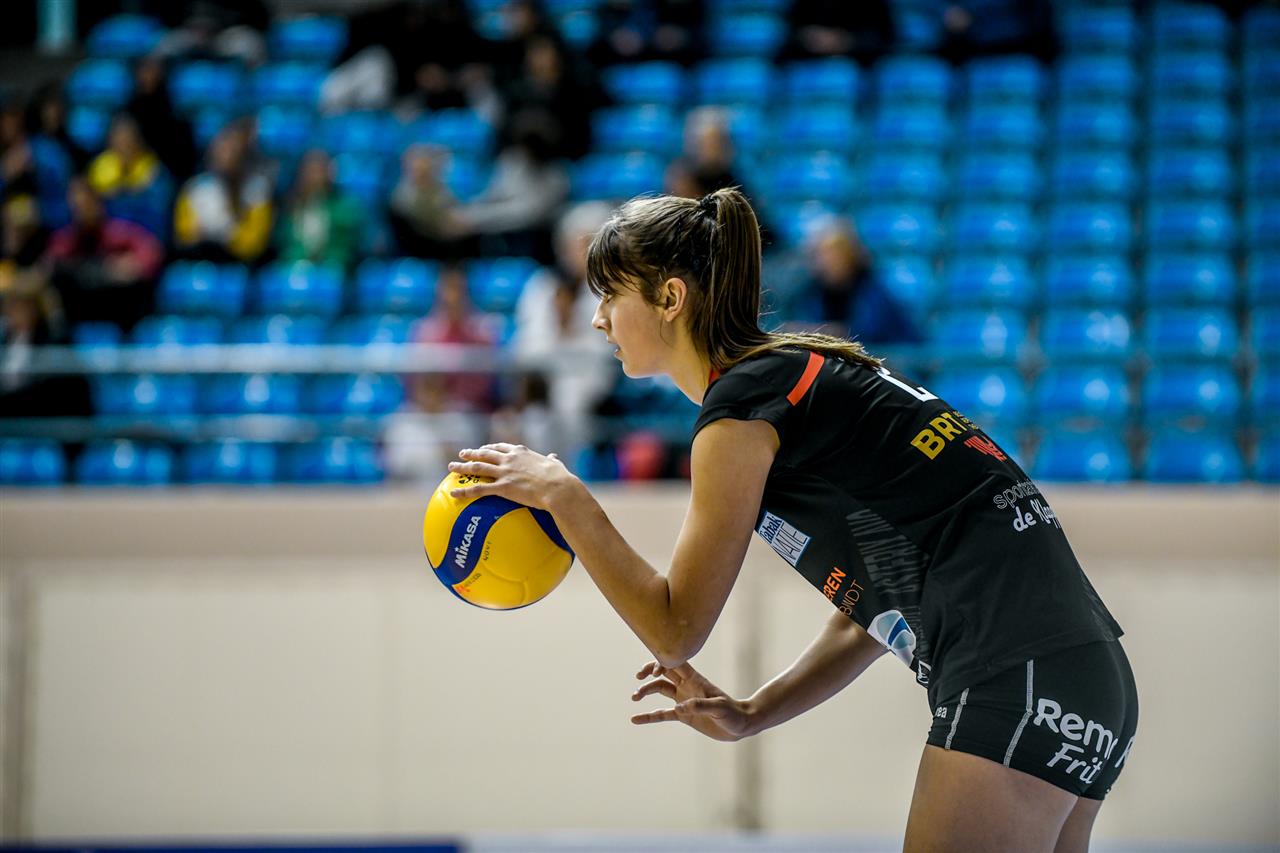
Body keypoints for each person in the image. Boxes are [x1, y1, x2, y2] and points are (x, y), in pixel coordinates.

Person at [444, 188, 1137, 852]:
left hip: (1012, 670)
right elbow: (877, 606)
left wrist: (566, 497)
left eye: (609, 296)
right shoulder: (791, 375)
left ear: (670, 298)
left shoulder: (743, 409)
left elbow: (675, 630)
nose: (598, 319)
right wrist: (755, 712)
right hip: (1082, 674)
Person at [44, 176, 163, 331]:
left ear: (98, 203)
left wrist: (131, 266)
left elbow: (151, 254)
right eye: (76, 207)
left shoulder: (119, 232)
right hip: (80, 311)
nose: (81, 212)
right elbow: (49, 266)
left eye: (86, 204)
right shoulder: (66, 240)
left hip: (119, 310)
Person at [790, 218, 921, 344]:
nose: (822, 264)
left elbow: (867, 334)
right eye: (817, 257)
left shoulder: (874, 289)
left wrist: (823, 332)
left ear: (848, 255)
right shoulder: (813, 291)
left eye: (830, 255)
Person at [173, 123, 273, 263]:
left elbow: (254, 243)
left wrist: (225, 236)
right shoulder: (195, 189)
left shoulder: (257, 190)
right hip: (199, 261)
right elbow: (184, 236)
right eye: (222, 150)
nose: (226, 157)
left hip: (240, 265)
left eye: (233, 151)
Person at [275, 149, 362, 271]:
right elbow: (284, 243)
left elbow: (346, 245)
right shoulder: (290, 206)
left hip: (332, 268)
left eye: (320, 170)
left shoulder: (344, 206)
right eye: (311, 171)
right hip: (296, 267)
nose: (315, 176)